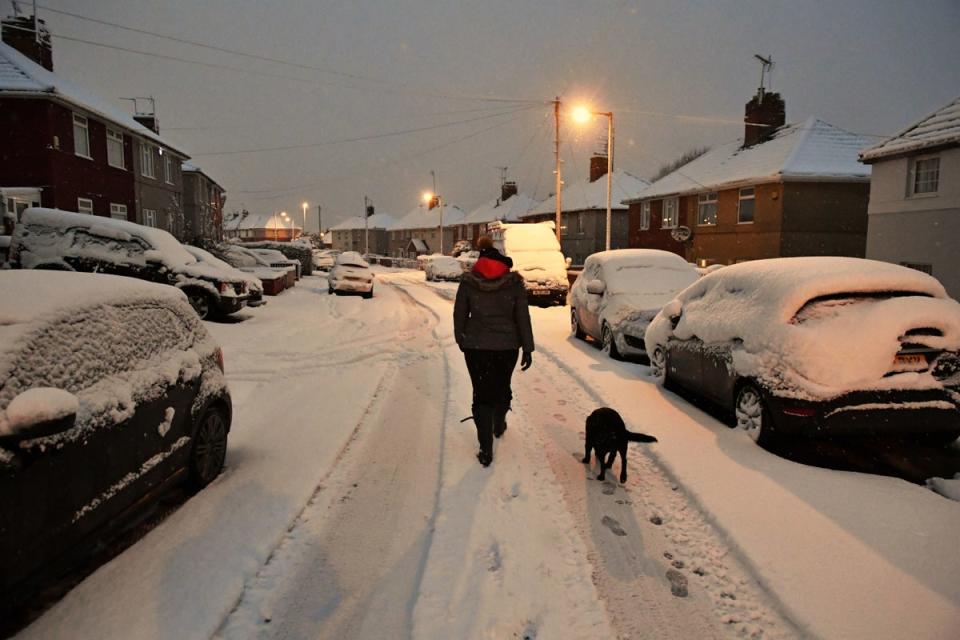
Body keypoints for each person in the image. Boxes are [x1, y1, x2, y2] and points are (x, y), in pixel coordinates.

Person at [453, 235, 534, 467]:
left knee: (481, 392)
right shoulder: (514, 283)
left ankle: (485, 448)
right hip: (507, 348)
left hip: (476, 347)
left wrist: (462, 339)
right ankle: (499, 423)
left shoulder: (469, 282)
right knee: (501, 385)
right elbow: (522, 317)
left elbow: (460, 313)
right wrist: (527, 348)